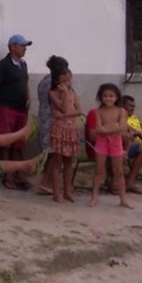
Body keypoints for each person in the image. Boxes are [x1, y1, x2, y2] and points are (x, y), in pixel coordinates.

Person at [0, 34, 33, 190]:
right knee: (6, 142)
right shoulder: (4, 65)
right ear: (12, 46)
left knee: (19, 143)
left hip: (21, 108)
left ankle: (19, 174)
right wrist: (0, 100)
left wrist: (28, 97)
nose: (24, 48)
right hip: (7, 107)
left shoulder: (23, 65)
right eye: (22, 45)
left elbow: (25, 82)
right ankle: (7, 174)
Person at [87, 84, 132, 209]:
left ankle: (123, 199)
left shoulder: (121, 111)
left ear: (117, 97)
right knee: (99, 170)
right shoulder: (99, 111)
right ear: (101, 97)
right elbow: (98, 129)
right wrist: (114, 127)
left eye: (111, 96)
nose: (108, 99)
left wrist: (106, 129)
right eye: (105, 96)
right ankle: (94, 196)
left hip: (116, 142)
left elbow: (123, 127)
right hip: (101, 142)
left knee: (118, 171)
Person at [46, 66, 82, 203]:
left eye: (69, 80)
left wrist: (65, 115)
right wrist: (65, 94)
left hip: (72, 129)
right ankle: (56, 192)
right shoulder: (52, 93)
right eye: (64, 81)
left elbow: (78, 110)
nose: (67, 83)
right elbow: (62, 107)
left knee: (69, 162)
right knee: (57, 162)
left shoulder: (73, 92)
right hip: (59, 130)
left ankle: (67, 190)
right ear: (57, 81)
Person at [36, 55, 69, 196]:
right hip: (52, 119)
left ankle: (47, 181)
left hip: (45, 117)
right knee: (53, 153)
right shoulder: (53, 85)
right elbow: (60, 105)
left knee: (52, 153)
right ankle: (46, 182)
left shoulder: (44, 81)